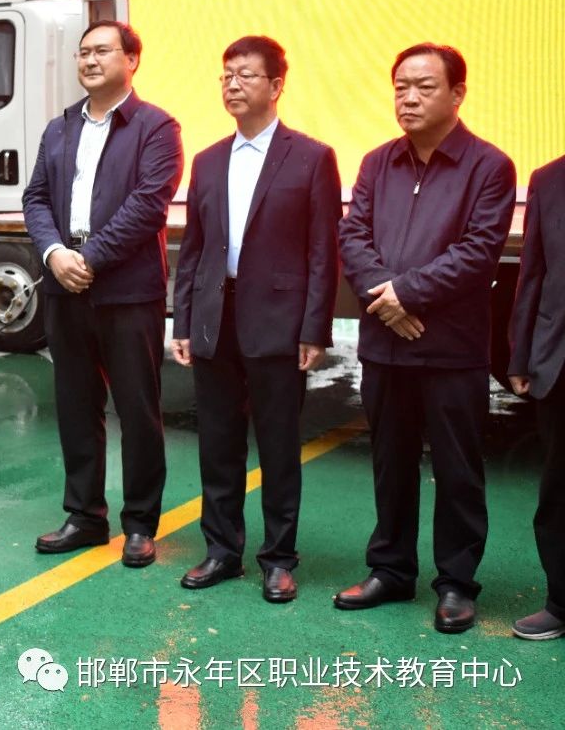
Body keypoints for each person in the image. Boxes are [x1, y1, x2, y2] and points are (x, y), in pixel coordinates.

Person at [336, 43, 515, 633]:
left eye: (424, 87)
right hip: (386, 344)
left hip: (450, 348)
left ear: (457, 94)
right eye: (400, 87)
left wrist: (406, 295)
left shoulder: (488, 166)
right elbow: (353, 236)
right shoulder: (377, 162)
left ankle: (457, 582)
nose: (408, 98)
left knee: (458, 468)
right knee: (390, 462)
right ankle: (390, 569)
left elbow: (478, 251)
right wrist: (388, 301)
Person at [171, 36, 341, 602]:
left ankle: (279, 558)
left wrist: (314, 328)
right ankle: (221, 550)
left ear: (276, 85)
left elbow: (323, 252)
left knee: (278, 446)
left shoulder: (311, 157)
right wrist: (182, 321)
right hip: (215, 318)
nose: (233, 84)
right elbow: (194, 249)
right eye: (226, 75)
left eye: (245, 74)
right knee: (217, 443)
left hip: (278, 320)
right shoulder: (208, 160)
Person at [22, 20, 183, 566]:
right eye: (83, 52)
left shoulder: (156, 127)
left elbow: (148, 204)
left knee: (137, 409)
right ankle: (85, 515)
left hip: (127, 289)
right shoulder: (60, 127)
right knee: (75, 405)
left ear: (131, 60)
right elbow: (36, 197)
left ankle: (140, 523)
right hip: (64, 284)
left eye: (102, 51)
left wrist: (88, 258)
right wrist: (54, 253)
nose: (89, 60)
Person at [508, 152, 565, 640]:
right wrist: (521, 356)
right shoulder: (549, 180)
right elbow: (533, 273)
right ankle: (560, 602)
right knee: (558, 492)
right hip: (559, 362)